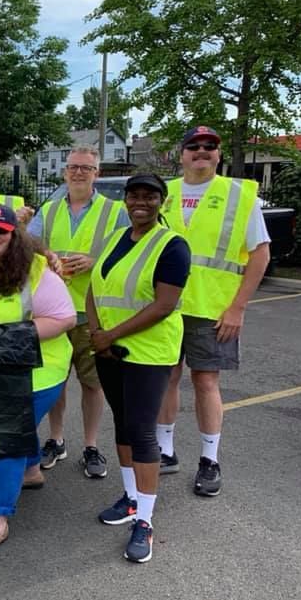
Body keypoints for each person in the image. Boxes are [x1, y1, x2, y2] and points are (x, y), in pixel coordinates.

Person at [157, 126, 270, 496]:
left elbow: (260, 254)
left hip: (214, 309)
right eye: (194, 146)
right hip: (166, 307)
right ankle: (165, 451)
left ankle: (209, 460)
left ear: (218, 155)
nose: (201, 151)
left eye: (210, 147)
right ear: (182, 153)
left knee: (205, 382)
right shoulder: (165, 194)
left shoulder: (240, 195)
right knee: (166, 379)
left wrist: (238, 307)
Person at [0, 205, 76, 555]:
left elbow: (65, 317)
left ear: (15, 236)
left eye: (2, 231)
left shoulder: (37, 272)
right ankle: (31, 469)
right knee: (6, 428)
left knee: (0, 437)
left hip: (29, 373)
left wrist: (10, 336)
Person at [87, 173, 191, 563]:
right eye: (134, 195)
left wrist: (110, 334)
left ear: (162, 201)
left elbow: (164, 304)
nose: (141, 202)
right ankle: (131, 499)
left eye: (150, 196)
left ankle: (145, 522)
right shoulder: (117, 237)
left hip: (148, 353)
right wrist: (98, 332)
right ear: (126, 200)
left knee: (143, 432)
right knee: (124, 424)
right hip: (109, 347)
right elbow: (96, 288)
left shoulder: (172, 246)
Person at [27, 147, 129, 480]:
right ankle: (56, 440)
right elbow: (30, 241)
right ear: (65, 172)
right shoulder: (52, 208)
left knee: (92, 383)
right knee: (55, 381)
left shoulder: (115, 211)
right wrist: (49, 254)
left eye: (87, 168)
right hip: (53, 313)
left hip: (92, 313)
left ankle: (90, 445)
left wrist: (95, 261)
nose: (79, 173)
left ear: (97, 173)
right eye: (74, 167)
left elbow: (129, 250)